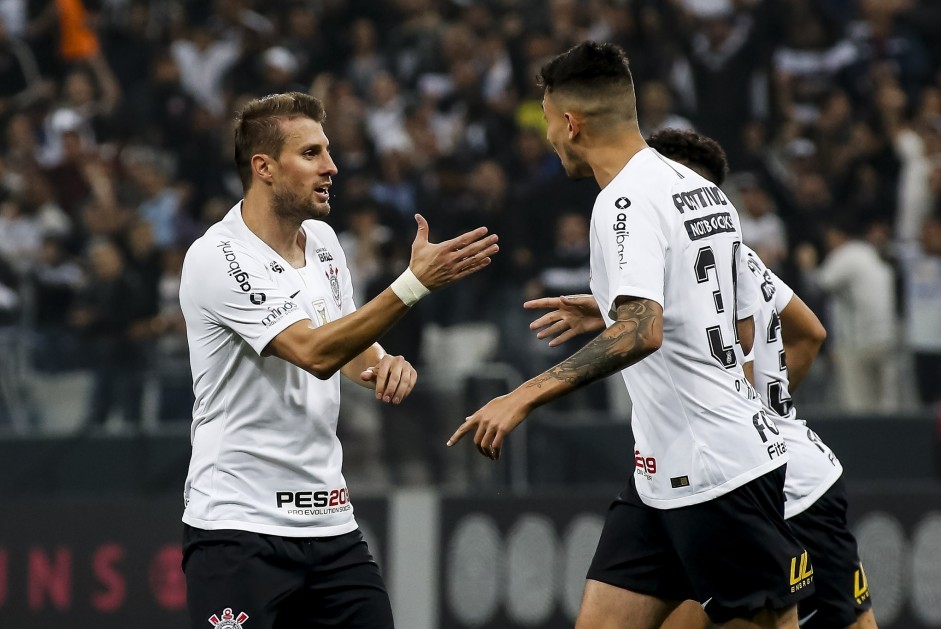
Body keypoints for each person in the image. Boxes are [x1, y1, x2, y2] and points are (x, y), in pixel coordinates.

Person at [448, 42, 810, 628]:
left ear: (571, 123)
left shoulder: (622, 201)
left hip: (718, 473)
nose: (548, 137)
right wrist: (609, 305)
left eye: (546, 122)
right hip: (660, 473)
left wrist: (521, 396)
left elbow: (644, 333)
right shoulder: (698, 188)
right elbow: (710, 303)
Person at [527, 128, 877, 629]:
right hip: (735, 473)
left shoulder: (677, 244)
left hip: (765, 485)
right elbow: (809, 333)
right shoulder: (737, 255)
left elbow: (737, 338)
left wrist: (745, 415)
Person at [178, 92, 499, 629]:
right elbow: (313, 352)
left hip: (329, 525)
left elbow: (343, 343)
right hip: (238, 527)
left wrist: (381, 361)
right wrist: (413, 285)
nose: (332, 166)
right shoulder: (218, 257)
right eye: (310, 154)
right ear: (264, 168)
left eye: (327, 151)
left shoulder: (324, 242)